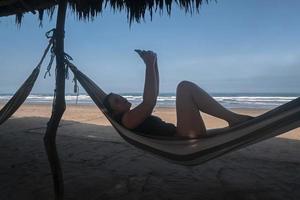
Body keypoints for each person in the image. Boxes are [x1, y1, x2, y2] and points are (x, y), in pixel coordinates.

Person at [103, 50, 253, 138]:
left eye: (119, 96)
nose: (122, 99)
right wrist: (149, 64)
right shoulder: (127, 120)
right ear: (115, 111)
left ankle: (233, 119)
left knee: (184, 87)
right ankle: (233, 119)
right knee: (184, 87)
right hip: (184, 138)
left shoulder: (131, 117)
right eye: (117, 101)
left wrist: (154, 64)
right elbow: (149, 102)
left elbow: (153, 94)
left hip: (184, 134)